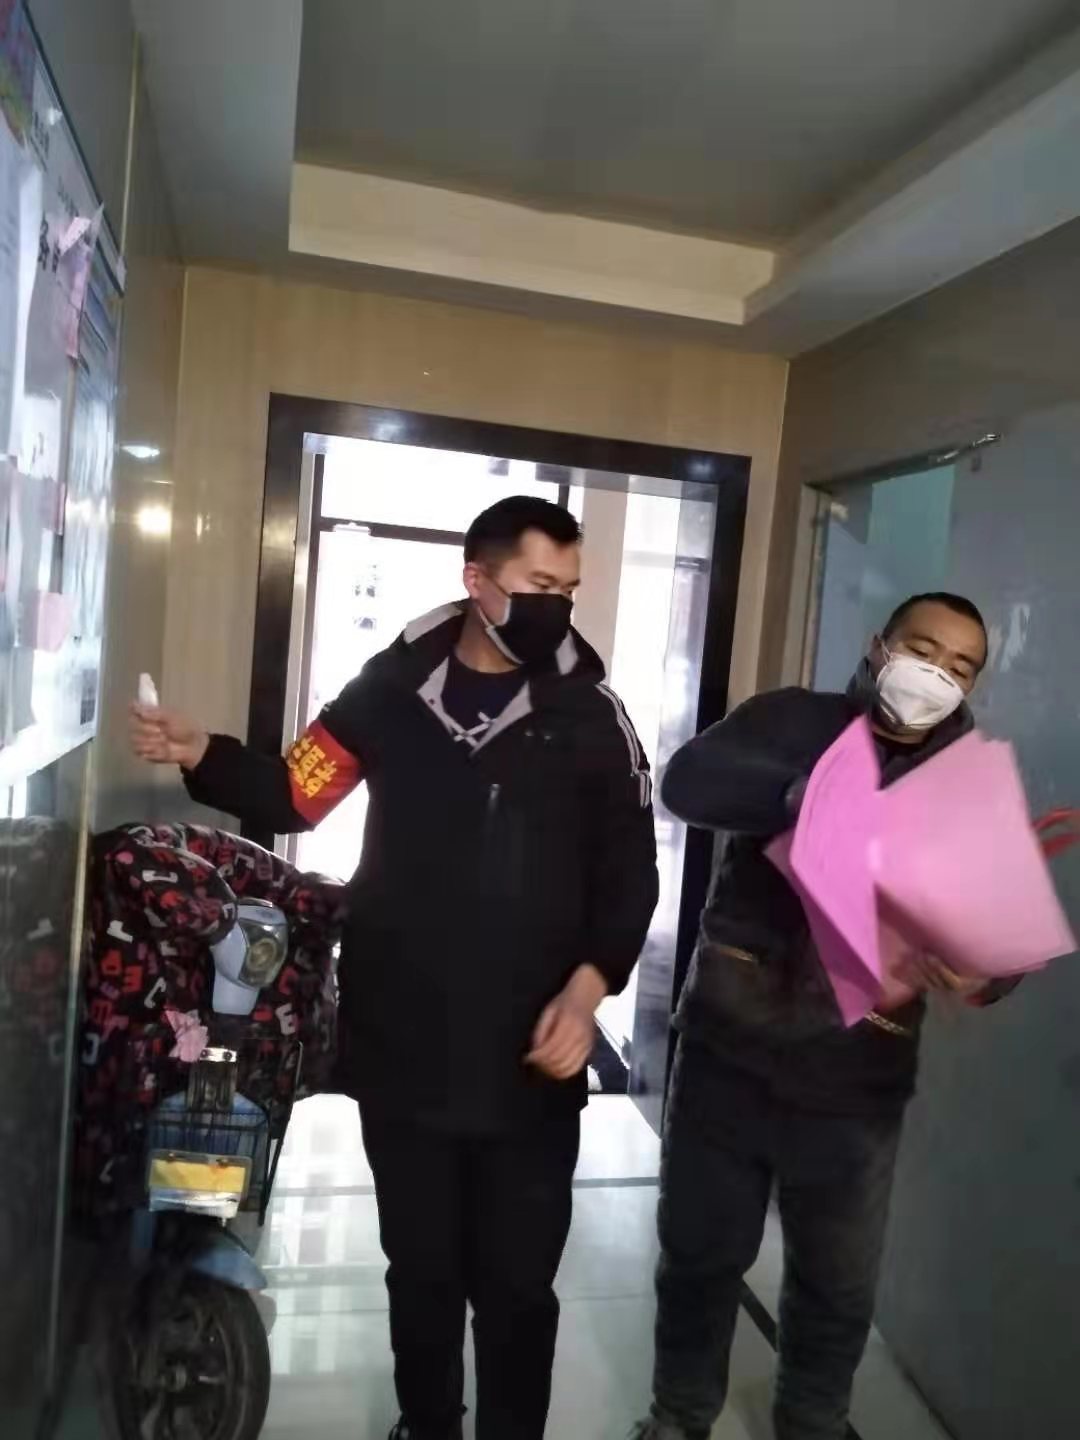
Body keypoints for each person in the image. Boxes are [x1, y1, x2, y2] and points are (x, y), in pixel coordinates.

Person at [131, 496, 659, 1440]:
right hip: (403, 1044)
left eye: (570, 590)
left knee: (516, 1286)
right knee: (420, 1271)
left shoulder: (591, 714)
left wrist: (587, 994)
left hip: (532, 1059)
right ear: (477, 580)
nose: (557, 607)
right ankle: (427, 1423)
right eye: (540, 585)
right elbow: (297, 792)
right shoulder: (390, 691)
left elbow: (632, 880)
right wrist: (201, 751)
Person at [632, 592, 1018, 1440]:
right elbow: (685, 784)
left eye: (961, 668)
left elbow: (1000, 947)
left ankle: (813, 1421)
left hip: (858, 1079)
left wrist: (981, 973)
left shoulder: (970, 785)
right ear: (880, 646)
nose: (937, 675)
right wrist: (804, 795)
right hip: (730, 1051)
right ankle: (680, 1414)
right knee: (699, 1257)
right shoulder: (793, 721)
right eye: (924, 650)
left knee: (837, 1284)